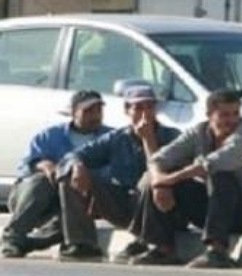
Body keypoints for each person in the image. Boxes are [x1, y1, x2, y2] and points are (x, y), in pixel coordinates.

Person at [126, 89, 242, 268]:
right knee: (151, 178)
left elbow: (212, 164)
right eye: (224, 115)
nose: (231, 120)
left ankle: (217, 251)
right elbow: (158, 159)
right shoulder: (199, 132)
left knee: (221, 176)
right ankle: (163, 248)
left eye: (235, 113)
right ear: (209, 115)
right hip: (216, 209)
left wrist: (169, 179)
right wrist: (160, 183)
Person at [56, 85, 180, 261]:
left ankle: (155, 244)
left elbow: (161, 170)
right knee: (69, 175)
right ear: (127, 110)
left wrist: (148, 139)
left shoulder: (172, 136)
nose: (145, 113)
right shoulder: (117, 137)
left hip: (162, 207)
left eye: (149, 107)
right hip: (126, 203)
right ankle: (82, 244)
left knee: (150, 178)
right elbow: (72, 156)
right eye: (138, 108)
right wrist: (77, 165)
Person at [0, 90, 112, 258]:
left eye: (98, 110)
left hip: (80, 201)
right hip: (39, 198)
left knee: (69, 216)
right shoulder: (49, 136)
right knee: (41, 180)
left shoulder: (111, 137)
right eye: (88, 111)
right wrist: (45, 165)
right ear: (73, 112)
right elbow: (27, 166)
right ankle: (13, 235)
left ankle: (26, 244)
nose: (95, 116)